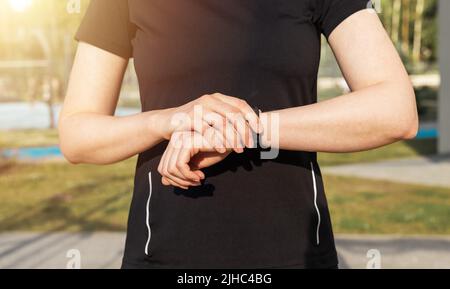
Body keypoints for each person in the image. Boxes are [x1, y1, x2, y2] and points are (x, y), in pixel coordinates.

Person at [59, 0, 418, 269]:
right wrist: (171, 121)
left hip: (295, 255)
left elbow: (395, 110)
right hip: (163, 255)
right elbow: (77, 134)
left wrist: (247, 130)